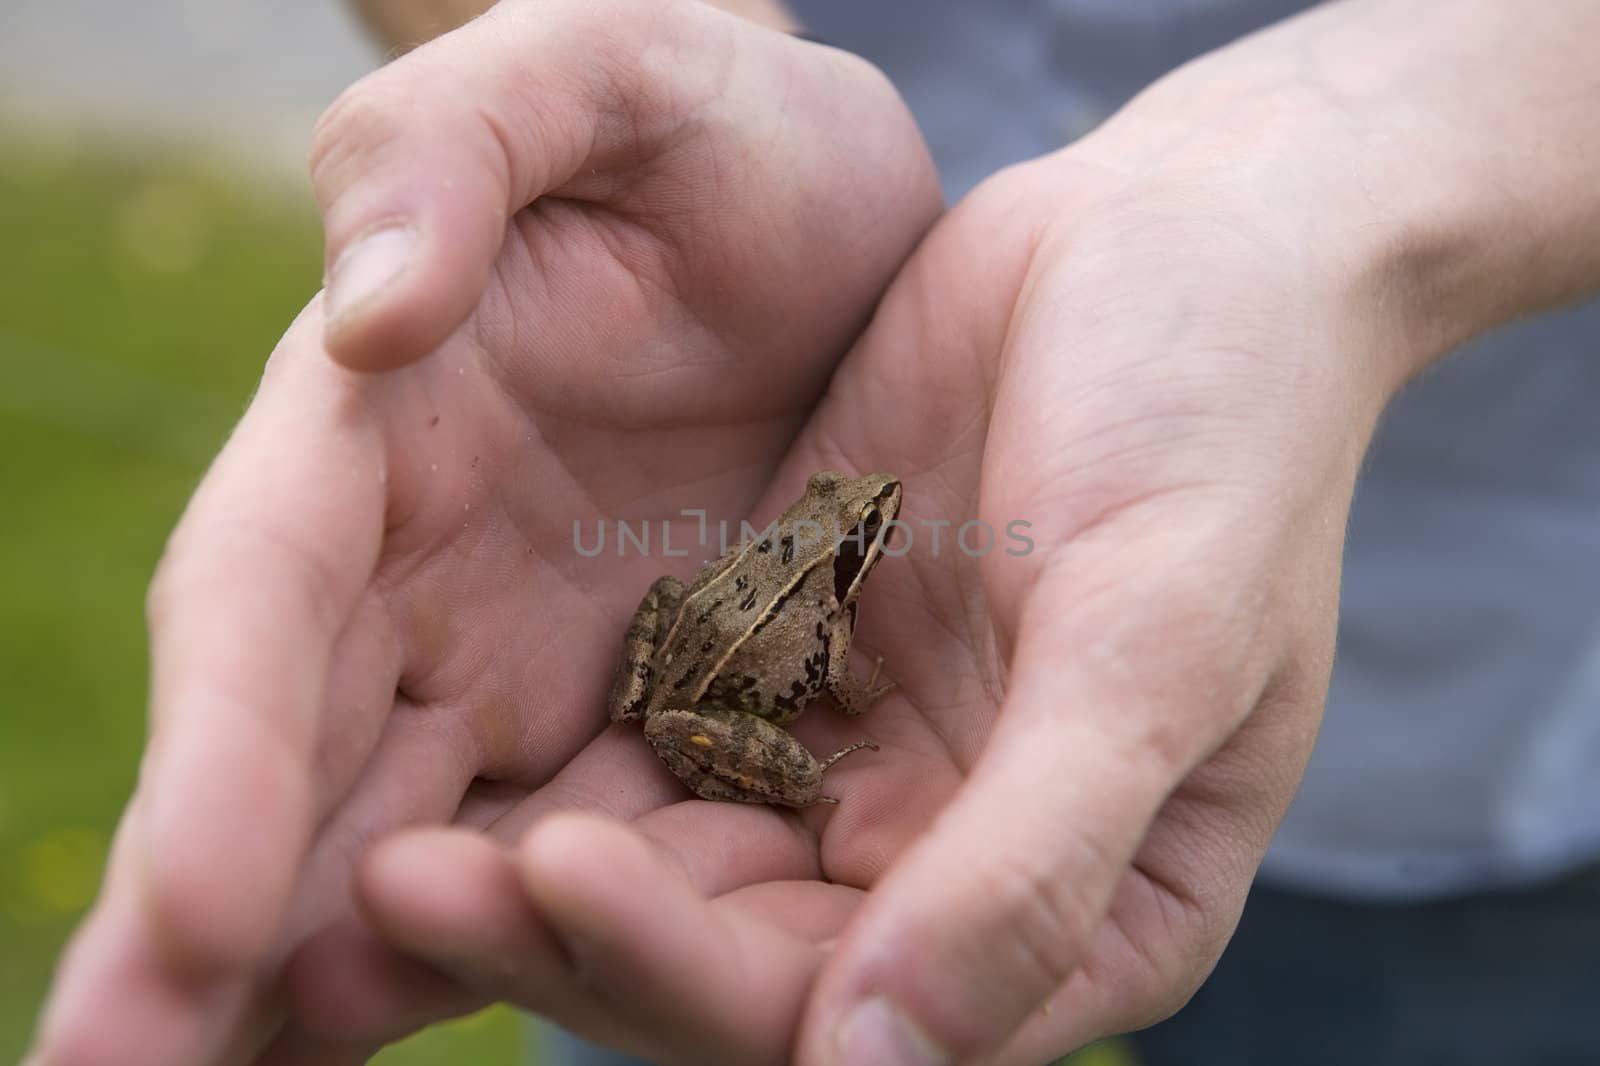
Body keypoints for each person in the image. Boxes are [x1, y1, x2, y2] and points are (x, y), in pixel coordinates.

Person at [27, 1, 1600, 1065]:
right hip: (721, 673)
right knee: (641, 959)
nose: (876, 536)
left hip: (1496, 703)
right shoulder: (851, 599)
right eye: (867, 537)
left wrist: (1348, 197)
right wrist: (630, 59)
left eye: (862, 536)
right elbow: (834, 675)